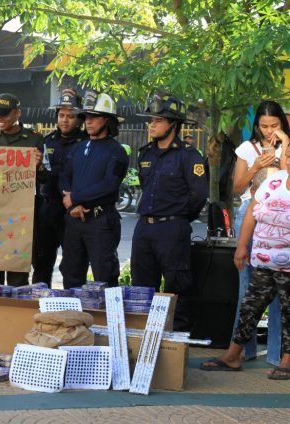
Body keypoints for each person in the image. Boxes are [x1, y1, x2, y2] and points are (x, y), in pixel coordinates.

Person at [199, 148, 290, 378]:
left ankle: (287, 361)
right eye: (288, 155)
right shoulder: (274, 180)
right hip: (263, 261)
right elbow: (251, 211)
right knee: (250, 307)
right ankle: (232, 356)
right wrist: (241, 246)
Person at [130, 92, 208, 331]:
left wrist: (180, 218)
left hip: (173, 228)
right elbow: (145, 187)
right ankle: (144, 340)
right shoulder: (146, 153)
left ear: (173, 124)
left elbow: (198, 195)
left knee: (177, 287)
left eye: (158, 120)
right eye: (150, 120)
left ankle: (176, 345)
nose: (151, 124)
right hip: (144, 227)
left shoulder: (188, 155)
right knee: (141, 289)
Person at [230, 100, 289, 364]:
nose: (268, 131)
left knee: (281, 290)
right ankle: (244, 350)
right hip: (253, 215)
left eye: (274, 125)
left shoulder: (286, 147)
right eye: (263, 126)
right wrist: (256, 167)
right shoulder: (247, 148)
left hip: (282, 221)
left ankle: (277, 354)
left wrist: (283, 149)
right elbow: (237, 188)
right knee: (249, 288)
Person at [58, 90, 129, 289]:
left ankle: (108, 320)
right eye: (86, 117)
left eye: (94, 117)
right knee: (71, 275)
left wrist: (76, 199)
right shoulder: (78, 148)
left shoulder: (117, 151)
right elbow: (64, 176)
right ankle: (73, 320)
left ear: (106, 120)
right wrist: (71, 204)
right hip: (74, 220)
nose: (88, 121)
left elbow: (109, 186)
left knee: (105, 277)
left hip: (101, 222)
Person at [0, 93, 45, 287]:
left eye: (4, 114)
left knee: (18, 268)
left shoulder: (34, 140)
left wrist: (39, 166)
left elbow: (46, 177)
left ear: (18, 113)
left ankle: (15, 313)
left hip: (21, 213)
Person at [34, 89, 87, 286]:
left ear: (80, 119)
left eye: (70, 116)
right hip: (47, 208)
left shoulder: (86, 144)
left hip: (72, 210)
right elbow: (40, 177)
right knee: (41, 262)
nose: (64, 120)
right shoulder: (46, 142)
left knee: (72, 264)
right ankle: (40, 306)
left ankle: (72, 308)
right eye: (61, 115)